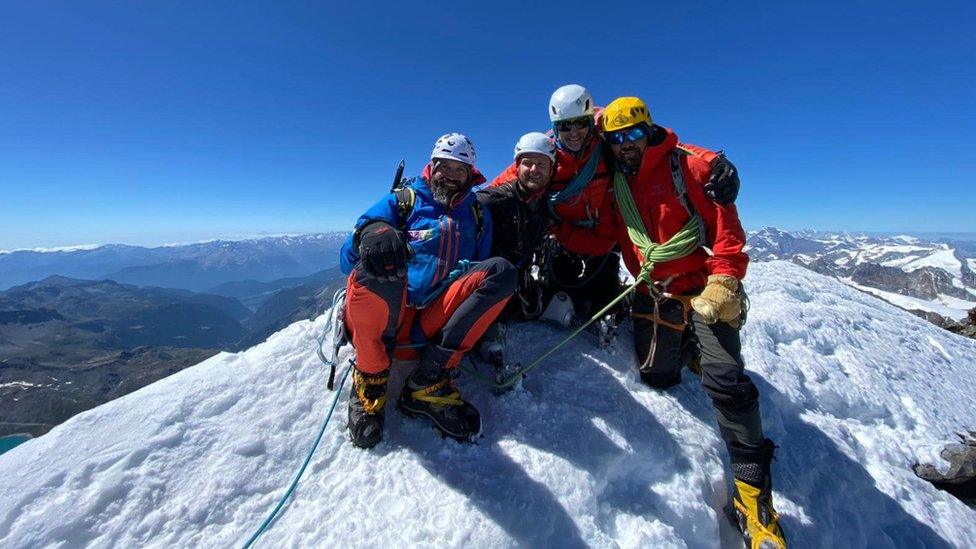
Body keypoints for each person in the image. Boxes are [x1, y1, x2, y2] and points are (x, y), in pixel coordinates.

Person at [598, 96, 786, 548]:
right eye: (617, 138)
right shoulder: (611, 177)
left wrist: (724, 283)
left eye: (634, 134)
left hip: (703, 289)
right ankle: (685, 345)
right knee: (657, 376)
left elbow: (727, 233)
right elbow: (569, 139)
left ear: (649, 130)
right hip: (654, 290)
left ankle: (752, 494)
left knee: (725, 380)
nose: (627, 145)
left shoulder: (692, 168)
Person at [489, 84, 740, 338]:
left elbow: (658, 140)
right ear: (555, 127)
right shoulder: (549, 154)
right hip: (563, 238)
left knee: (600, 299)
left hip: (605, 241)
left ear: (590, 121)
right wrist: (478, 202)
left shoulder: (608, 136)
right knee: (563, 296)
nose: (573, 132)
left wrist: (713, 161)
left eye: (580, 123)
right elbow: (514, 177)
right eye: (565, 126)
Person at [339, 133, 517, 448]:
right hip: (385, 319)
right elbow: (346, 259)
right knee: (378, 264)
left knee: (500, 273)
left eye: (458, 169)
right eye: (443, 166)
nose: (448, 175)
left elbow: (479, 272)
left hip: (431, 322)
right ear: (431, 166)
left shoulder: (477, 215)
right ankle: (370, 383)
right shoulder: (403, 201)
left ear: (470, 175)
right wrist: (371, 235)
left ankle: (428, 382)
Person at [474, 132, 557, 365]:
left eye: (541, 164)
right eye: (527, 163)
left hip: (516, 282)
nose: (534, 169)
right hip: (486, 284)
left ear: (551, 169)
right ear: (517, 166)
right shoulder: (492, 200)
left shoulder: (543, 205)